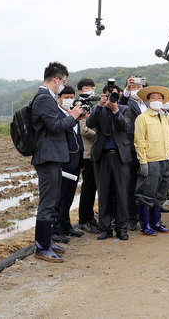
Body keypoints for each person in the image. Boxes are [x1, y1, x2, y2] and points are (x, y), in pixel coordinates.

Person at [31, 62, 83, 263]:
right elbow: (54, 126)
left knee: (52, 201)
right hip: (47, 156)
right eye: (63, 81)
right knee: (48, 202)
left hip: (52, 156)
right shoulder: (44, 98)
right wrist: (73, 117)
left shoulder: (47, 98)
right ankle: (42, 247)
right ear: (56, 79)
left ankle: (47, 241)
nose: (64, 85)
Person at [88, 81, 133, 240]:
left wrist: (115, 112)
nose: (112, 98)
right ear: (104, 95)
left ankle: (122, 228)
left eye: (115, 95)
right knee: (104, 192)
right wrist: (100, 105)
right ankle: (105, 228)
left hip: (120, 155)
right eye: (109, 95)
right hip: (102, 156)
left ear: (119, 95)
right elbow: (89, 123)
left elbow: (126, 127)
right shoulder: (97, 108)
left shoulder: (125, 109)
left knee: (121, 193)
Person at [133, 86, 169, 236]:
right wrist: (143, 161)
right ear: (148, 100)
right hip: (151, 161)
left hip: (165, 160)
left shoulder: (165, 117)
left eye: (159, 98)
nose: (156, 101)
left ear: (163, 101)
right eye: (153, 98)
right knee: (146, 193)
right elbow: (139, 141)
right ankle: (145, 225)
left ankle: (156, 222)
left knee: (160, 194)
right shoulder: (142, 118)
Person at [52, 85, 85, 239]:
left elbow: (78, 138)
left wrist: (81, 161)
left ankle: (66, 225)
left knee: (69, 195)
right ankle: (56, 229)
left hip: (75, 161)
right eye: (65, 97)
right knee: (59, 196)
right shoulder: (57, 115)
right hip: (63, 163)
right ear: (59, 98)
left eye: (71, 96)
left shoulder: (75, 114)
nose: (69, 99)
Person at [119, 76, 148, 231]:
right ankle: (131, 218)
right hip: (131, 149)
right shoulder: (127, 103)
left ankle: (148, 217)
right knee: (131, 186)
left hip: (148, 149)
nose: (137, 89)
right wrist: (127, 91)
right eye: (134, 87)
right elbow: (119, 105)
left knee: (147, 185)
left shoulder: (148, 104)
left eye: (139, 86)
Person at [76, 78, 102, 234]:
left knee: (93, 187)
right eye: (87, 87)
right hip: (87, 153)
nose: (90, 90)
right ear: (80, 90)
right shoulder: (81, 106)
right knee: (88, 187)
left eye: (92, 87)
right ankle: (84, 220)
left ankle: (90, 217)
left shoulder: (93, 105)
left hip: (95, 152)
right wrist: (102, 137)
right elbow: (85, 130)